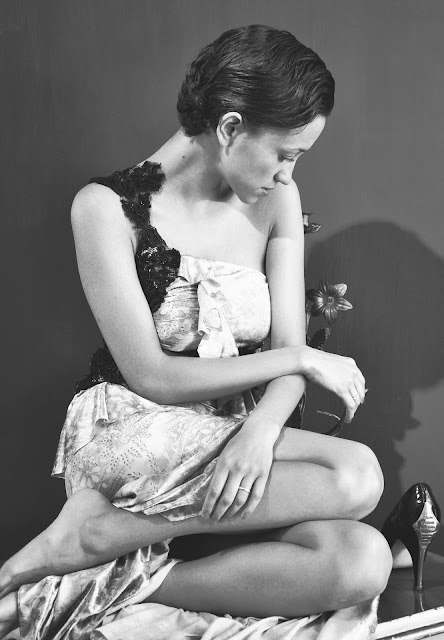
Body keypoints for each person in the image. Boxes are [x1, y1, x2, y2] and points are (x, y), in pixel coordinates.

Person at [0, 24, 393, 639]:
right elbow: (152, 376)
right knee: (356, 476)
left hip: (229, 443)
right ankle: (99, 528)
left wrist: (260, 430)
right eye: (285, 153)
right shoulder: (103, 208)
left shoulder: (277, 202)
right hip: (131, 431)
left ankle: (101, 554)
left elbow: (287, 355)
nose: (287, 174)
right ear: (231, 127)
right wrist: (299, 359)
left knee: (362, 560)